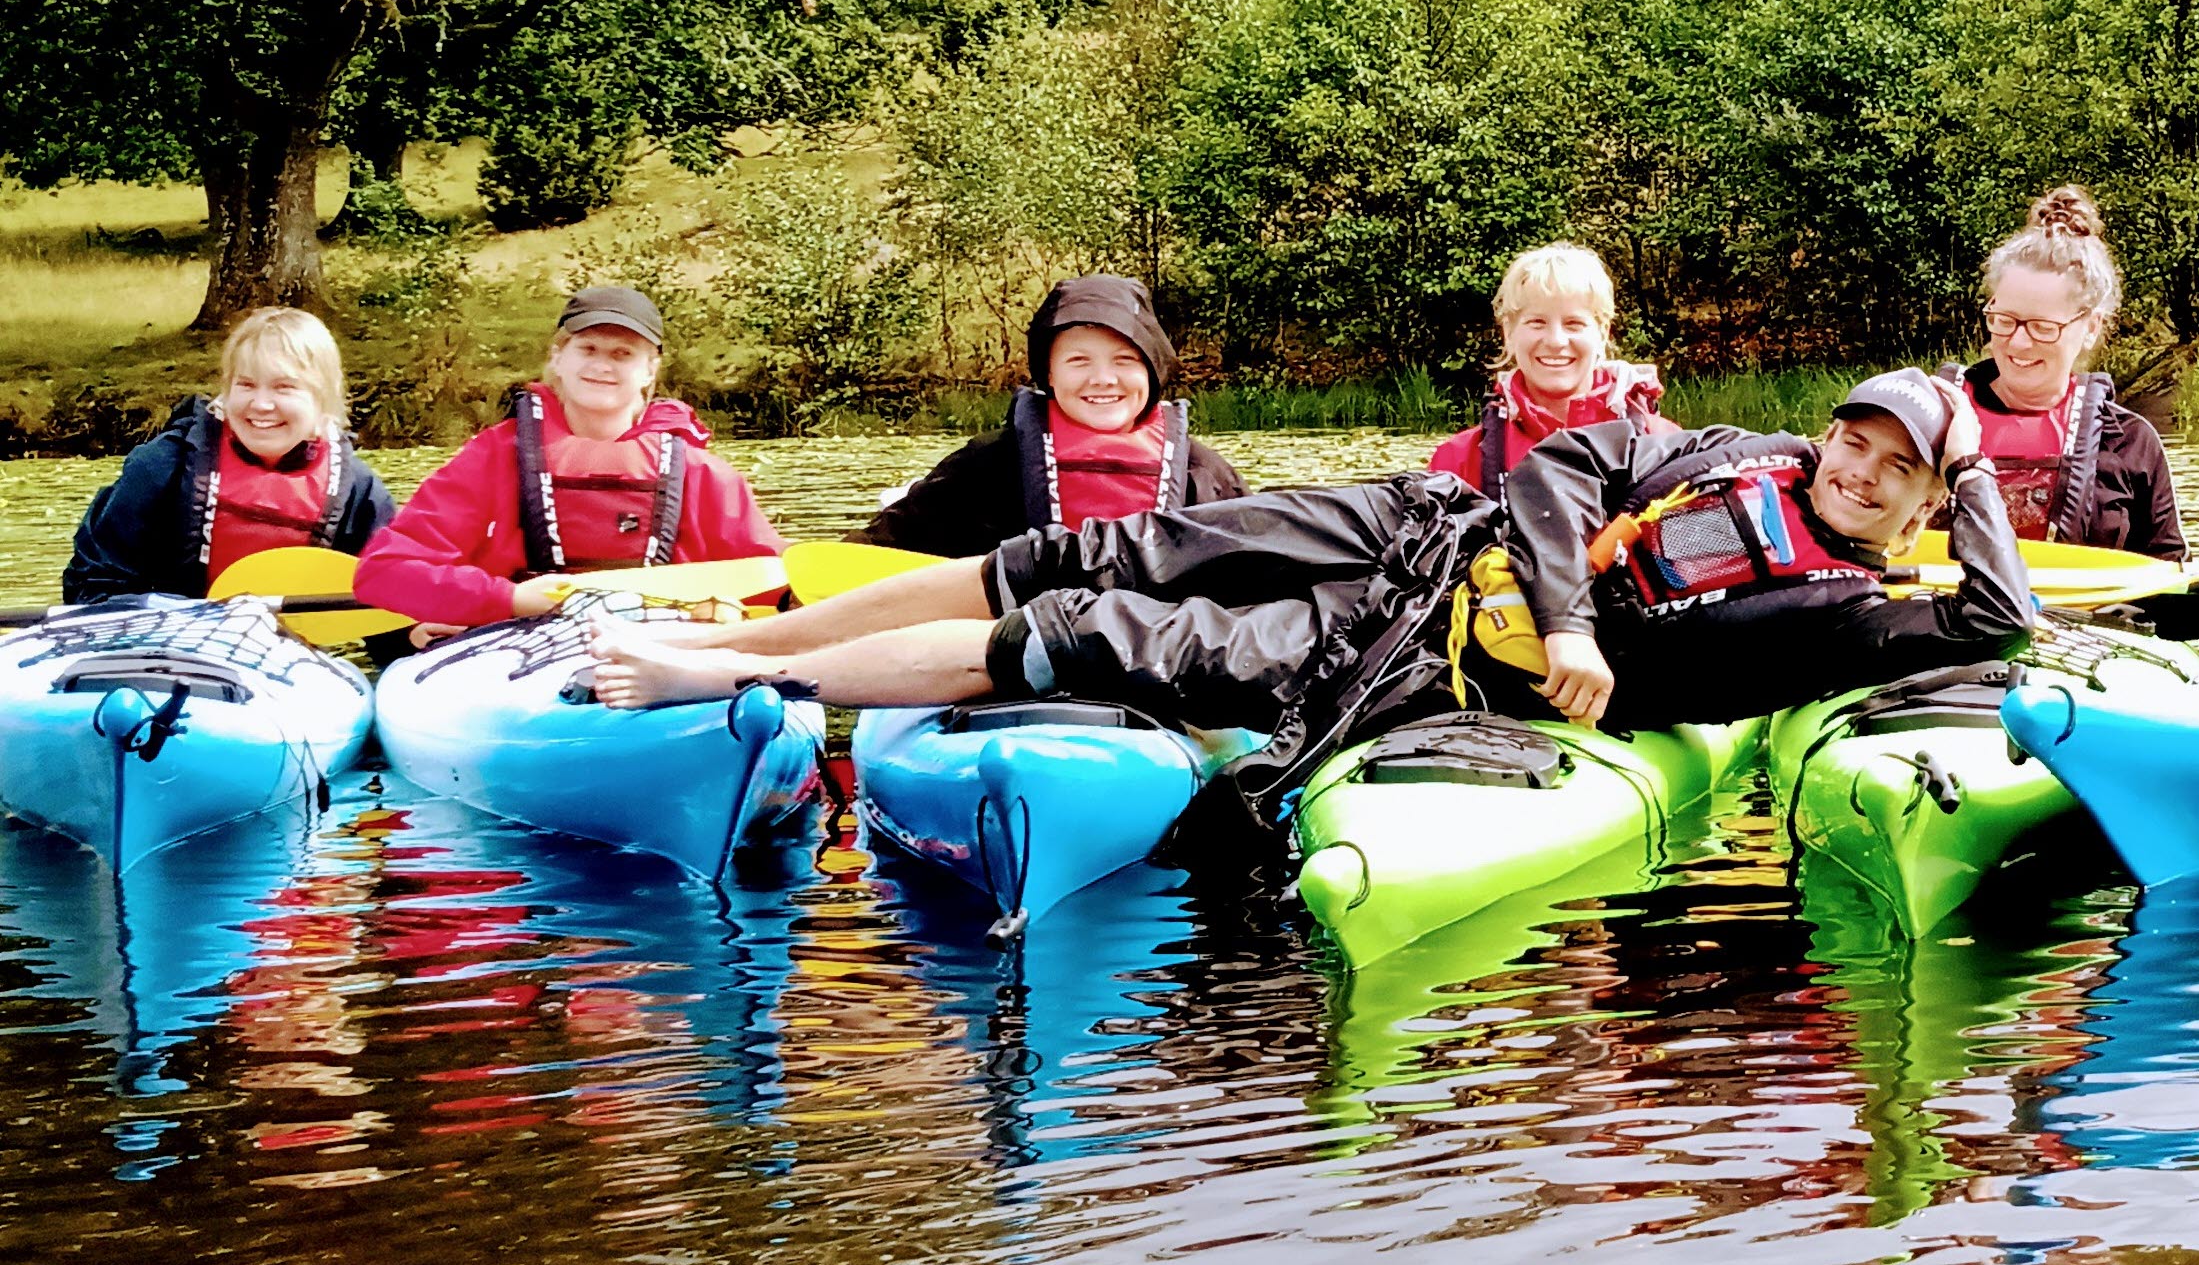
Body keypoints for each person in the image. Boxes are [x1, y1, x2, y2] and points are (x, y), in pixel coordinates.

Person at [585, 371, 2039, 748]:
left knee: (1100, 634)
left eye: (1893, 468)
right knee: (1094, 547)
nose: (1851, 471)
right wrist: (1572, 614)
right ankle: (728, 648)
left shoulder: (1854, 615)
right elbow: (1554, 469)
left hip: (1433, 667)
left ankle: (718, 689)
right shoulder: (1732, 452)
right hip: (1422, 531)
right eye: (1852, 442)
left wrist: (1974, 478)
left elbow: (2002, 626)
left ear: (1924, 497)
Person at [355, 286, 786, 632]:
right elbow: (384, 571)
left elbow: (778, 585)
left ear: (650, 370)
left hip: (669, 649)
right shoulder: (493, 457)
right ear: (558, 358)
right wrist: (503, 601)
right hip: (517, 644)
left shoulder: (703, 475)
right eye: (588, 349)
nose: (603, 365)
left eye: (622, 354)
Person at [861, 277, 1244, 554]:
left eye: (1124, 360)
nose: (1103, 380)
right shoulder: (988, 463)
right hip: (1011, 644)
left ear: (1152, 373)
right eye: (1078, 361)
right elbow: (879, 546)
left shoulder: (1203, 474)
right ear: (1049, 374)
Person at [63, 307, 395, 602]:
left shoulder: (358, 492)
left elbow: (392, 601)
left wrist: (411, 630)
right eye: (246, 385)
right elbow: (91, 585)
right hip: (167, 647)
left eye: (284, 387)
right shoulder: (162, 468)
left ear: (322, 399)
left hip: (290, 654)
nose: (261, 405)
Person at [1958, 188, 2183, 557]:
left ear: (2091, 327)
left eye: (2043, 328)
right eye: (2004, 321)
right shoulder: (1931, 417)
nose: (2017, 344)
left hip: (2090, 614)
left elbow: (2167, 572)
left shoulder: (2129, 444)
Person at [1426, 243, 1666, 497]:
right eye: (1536, 322)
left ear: (1603, 333)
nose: (1555, 341)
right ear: (1508, 332)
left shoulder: (1661, 443)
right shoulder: (1457, 461)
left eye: (1574, 323)